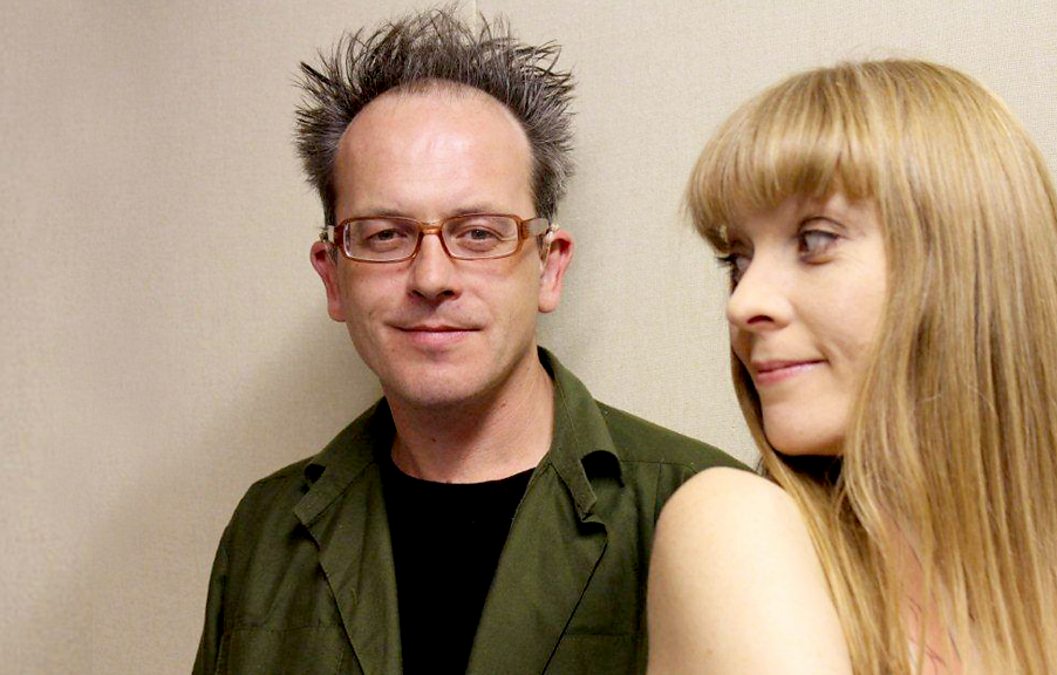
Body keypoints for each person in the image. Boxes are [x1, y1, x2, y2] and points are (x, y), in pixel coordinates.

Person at [193, 9, 742, 674]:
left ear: (550, 267)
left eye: (478, 233)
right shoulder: (265, 531)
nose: (432, 277)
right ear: (333, 276)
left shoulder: (703, 515)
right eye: (385, 235)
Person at [646, 60, 1057, 674]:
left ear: (969, 268)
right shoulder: (735, 527)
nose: (743, 302)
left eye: (815, 241)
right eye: (737, 259)